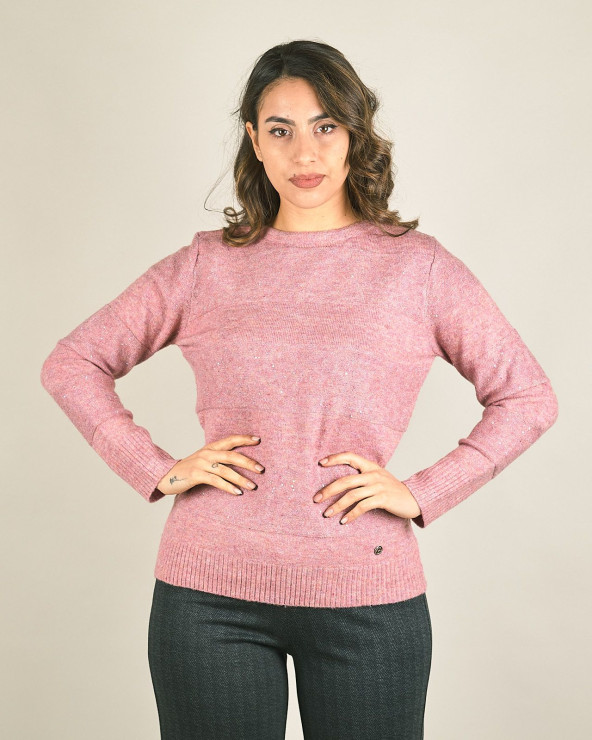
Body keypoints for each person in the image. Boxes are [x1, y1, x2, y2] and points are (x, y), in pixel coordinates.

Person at [40, 39, 559, 740]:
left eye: (325, 126)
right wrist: (157, 468)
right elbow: (72, 362)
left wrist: (424, 492)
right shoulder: (204, 266)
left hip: (367, 596)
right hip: (208, 599)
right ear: (254, 141)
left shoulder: (418, 269)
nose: (304, 152)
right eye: (280, 130)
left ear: (355, 134)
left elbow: (527, 396)